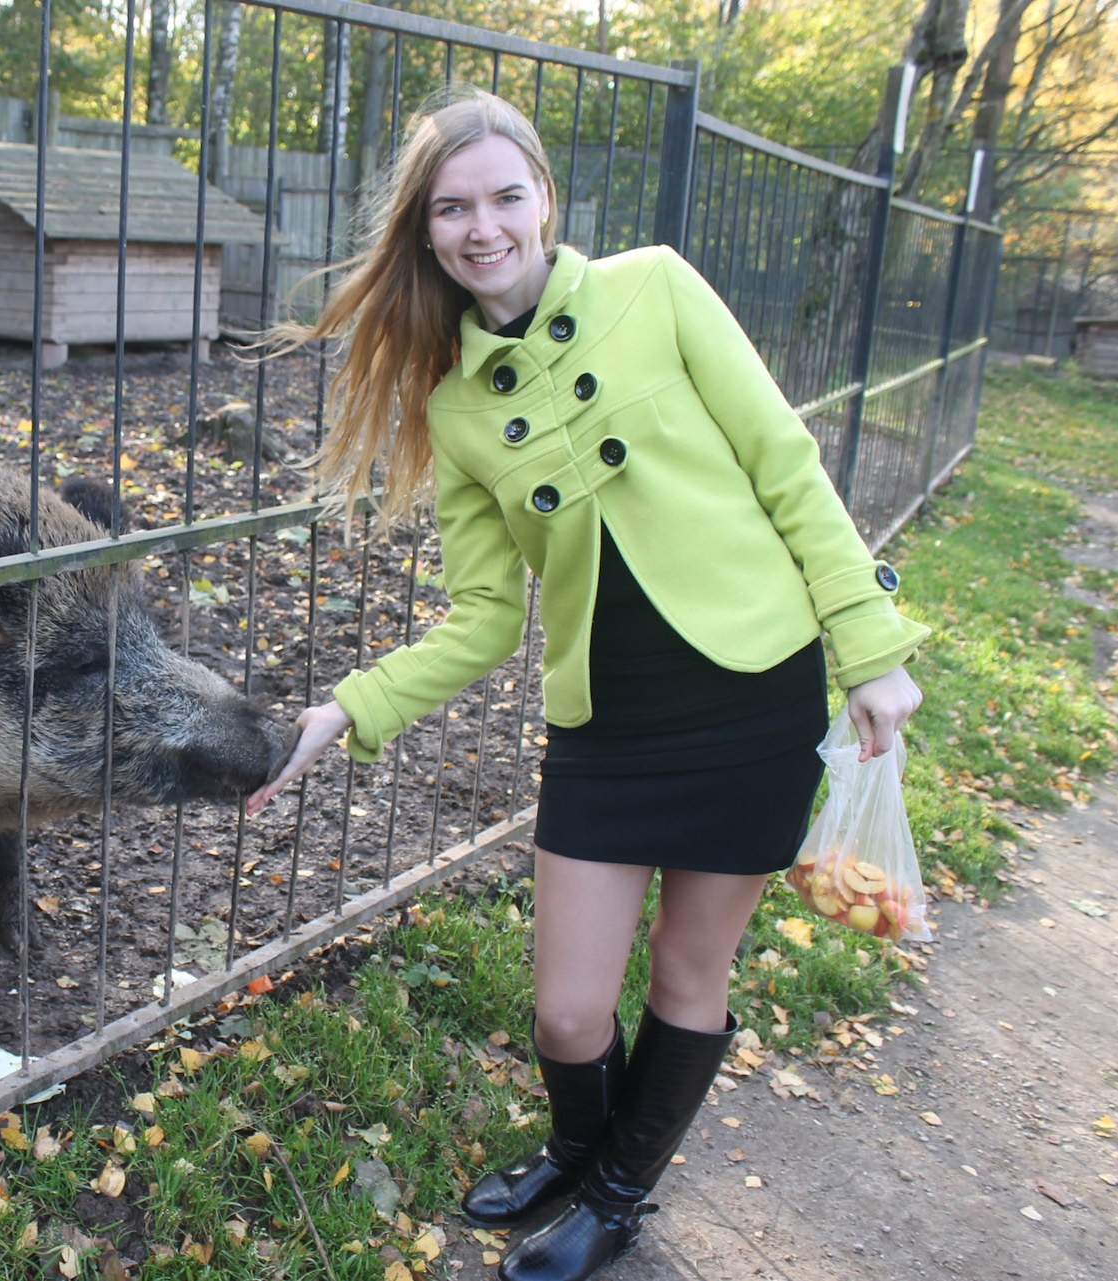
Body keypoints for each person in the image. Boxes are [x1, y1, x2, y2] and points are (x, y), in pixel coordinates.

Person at [245, 87, 928, 1281]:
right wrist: (342, 711)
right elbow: (480, 618)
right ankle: (577, 1146)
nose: (483, 227)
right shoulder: (454, 403)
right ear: (428, 233)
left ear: (547, 200)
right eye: (453, 209)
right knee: (566, 1011)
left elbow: (786, 463)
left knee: (685, 974)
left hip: (750, 691)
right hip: (607, 726)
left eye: (506, 196)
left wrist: (868, 650)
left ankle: (615, 1195)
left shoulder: (656, 288)